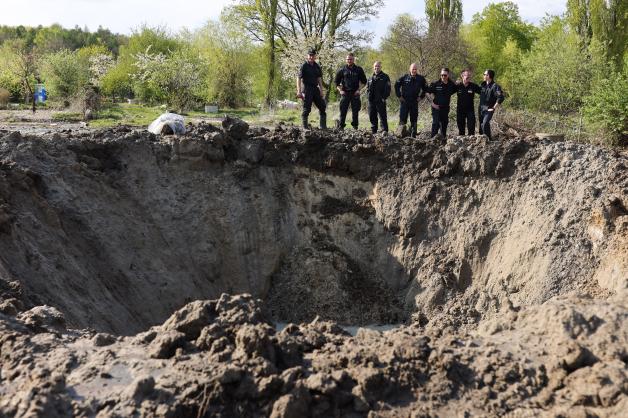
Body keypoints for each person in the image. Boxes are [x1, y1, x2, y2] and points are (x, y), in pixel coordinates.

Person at [394, 63, 428, 138]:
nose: (414, 71)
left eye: (415, 69)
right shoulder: (404, 77)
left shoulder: (421, 78)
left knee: (414, 119)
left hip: (414, 101)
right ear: (410, 69)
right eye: (413, 69)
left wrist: (421, 97)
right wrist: (399, 96)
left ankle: (413, 136)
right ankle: (400, 135)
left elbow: (425, 89)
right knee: (402, 119)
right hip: (405, 101)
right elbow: (396, 85)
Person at [335, 53, 367, 129]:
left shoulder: (359, 69)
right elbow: (336, 82)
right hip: (345, 93)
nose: (349, 60)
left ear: (353, 60)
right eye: (348, 59)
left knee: (355, 112)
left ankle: (355, 127)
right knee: (343, 111)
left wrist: (359, 90)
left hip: (355, 93)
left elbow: (364, 82)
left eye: (351, 59)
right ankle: (341, 126)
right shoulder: (342, 69)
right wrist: (340, 90)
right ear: (346, 60)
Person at [297, 48, 327, 129]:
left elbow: (319, 78)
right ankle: (305, 127)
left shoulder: (317, 66)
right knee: (307, 108)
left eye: (313, 55)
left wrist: (321, 89)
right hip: (307, 88)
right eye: (310, 55)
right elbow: (298, 78)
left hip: (315, 88)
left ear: (315, 56)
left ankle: (323, 126)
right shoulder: (304, 66)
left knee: (322, 106)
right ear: (307, 56)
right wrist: (299, 91)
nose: (311, 57)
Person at [427, 67, 458, 138]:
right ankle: (432, 140)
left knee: (444, 124)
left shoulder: (451, 84)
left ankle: (443, 140)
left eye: (445, 75)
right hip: (436, 107)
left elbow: (456, 89)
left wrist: (459, 83)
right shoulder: (435, 84)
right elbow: (427, 92)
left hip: (445, 108)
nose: (443, 77)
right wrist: (432, 103)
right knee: (436, 123)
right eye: (442, 75)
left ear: (448, 75)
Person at [479, 69, 505, 140]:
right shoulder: (483, 85)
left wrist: (494, 107)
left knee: (485, 123)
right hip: (481, 109)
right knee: (481, 126)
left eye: (485, 74)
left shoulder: (495, 86)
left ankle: (489, 140)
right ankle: (482, 141)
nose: (484, 76)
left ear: (489, 76)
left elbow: (501, 97)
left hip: (489, 109)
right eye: (484, 74)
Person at [366, 61, 391, 134]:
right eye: (375, 66)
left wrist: (383, 98)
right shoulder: (370, 78)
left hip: (380, 100)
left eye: (378, 66)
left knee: (382, 117)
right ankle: (374, 131)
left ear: (381, 67)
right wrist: (368, 97)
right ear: (373, 67)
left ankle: (384, 131)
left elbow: (388, 89)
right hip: (371, 101)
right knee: (372, 116)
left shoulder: (385, 77)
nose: (376, 68)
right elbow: (367, 89)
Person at [456, 69, 482, 135]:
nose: (468, 77)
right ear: (462, 76)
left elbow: (483, 92)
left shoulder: (473, 86)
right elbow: (447, 92)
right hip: (460, 110)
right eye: (466, 75)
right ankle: (461, 143)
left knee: (471, 128)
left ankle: (472, 143)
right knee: (461, 130)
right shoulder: (458, 86)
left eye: (469, 76)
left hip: (470, 110)